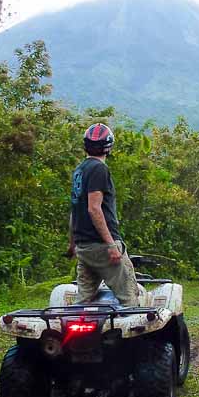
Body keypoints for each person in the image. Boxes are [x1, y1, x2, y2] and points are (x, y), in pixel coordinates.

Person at [68, 123, 139, 306]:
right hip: (102, 246)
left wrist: (72, 243)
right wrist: (111, 245)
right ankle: (133, 336)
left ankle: (73, 334)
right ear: (109, 147)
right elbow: (94, 208)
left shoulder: (79, 171)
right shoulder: (99, 169)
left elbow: (75, 210)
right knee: (129, 297)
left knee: (83, 302)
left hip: (84, 247)